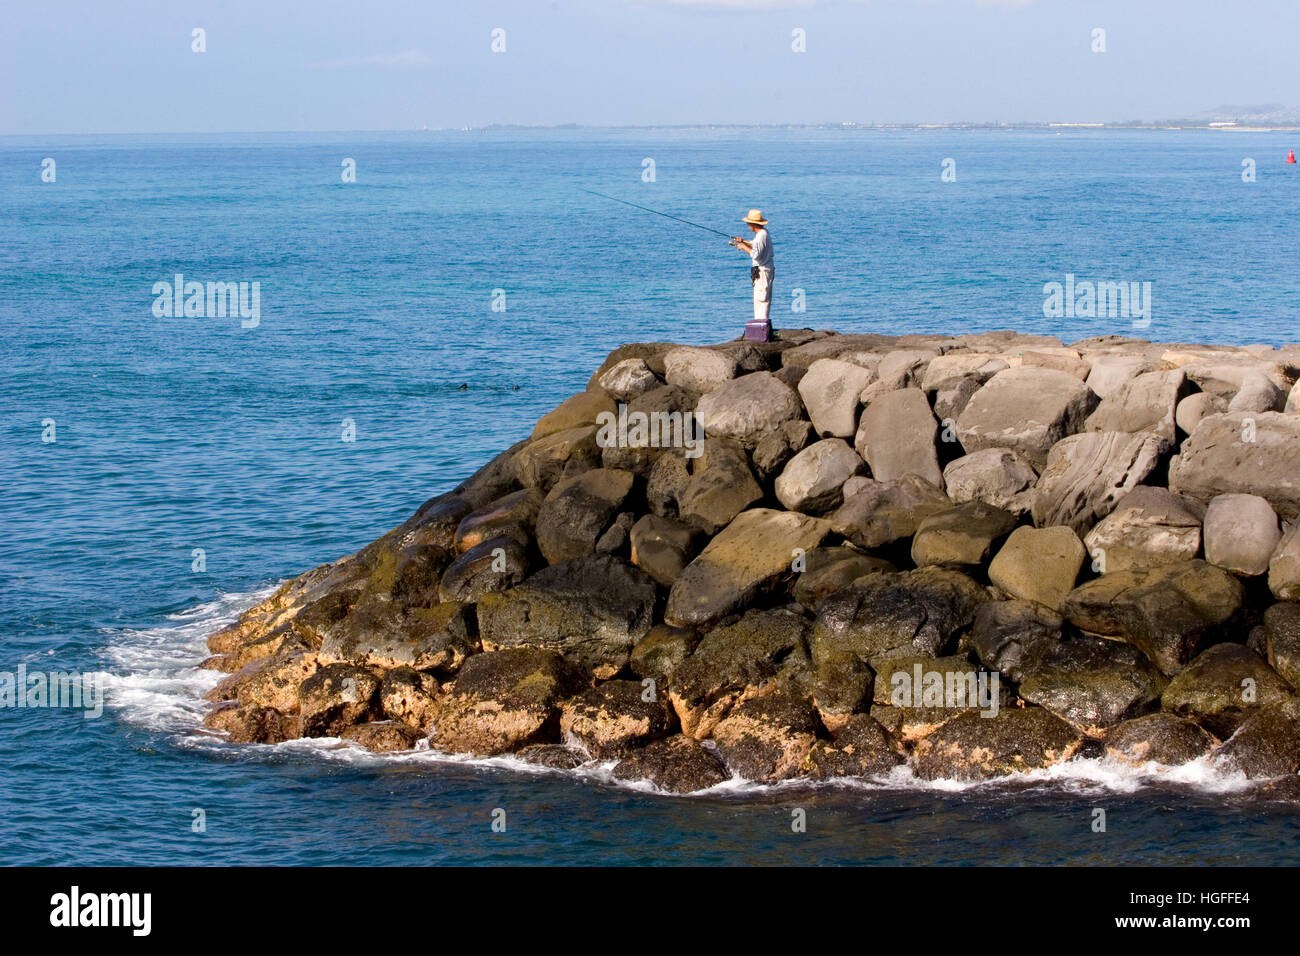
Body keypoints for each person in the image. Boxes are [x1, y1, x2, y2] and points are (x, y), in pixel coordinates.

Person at [730, 209, 774, 342]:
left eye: (749, 223)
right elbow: (756, 245)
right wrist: (744, 241)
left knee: (761, 300)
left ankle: (761, 333)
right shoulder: (762, 234)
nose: (748, 225)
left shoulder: (761, 236)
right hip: (763, 271)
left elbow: (755, 254)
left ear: (753, 224)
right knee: (760, 300)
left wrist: (743, 246)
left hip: (763, 272)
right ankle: (760, 330)